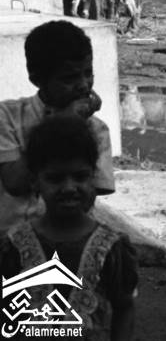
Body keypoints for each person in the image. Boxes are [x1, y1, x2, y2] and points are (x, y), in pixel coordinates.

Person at [0, 115, 137, 340]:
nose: (69, 187)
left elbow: (124, 308)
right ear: (35, 181)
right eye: (55, 179)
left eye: (80, 176)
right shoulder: (14, 245)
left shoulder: (112, 248)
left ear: (93, 177)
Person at [0, 20, 115, 231]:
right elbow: (15, 183)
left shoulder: (96, 130)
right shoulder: (7, 116)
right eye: (69, 78)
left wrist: (73, 127)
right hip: (7, 238)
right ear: (37, 79)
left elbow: (86, 200)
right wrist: (62, 123)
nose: (83, 85)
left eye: (88, 73)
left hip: (67, 238)